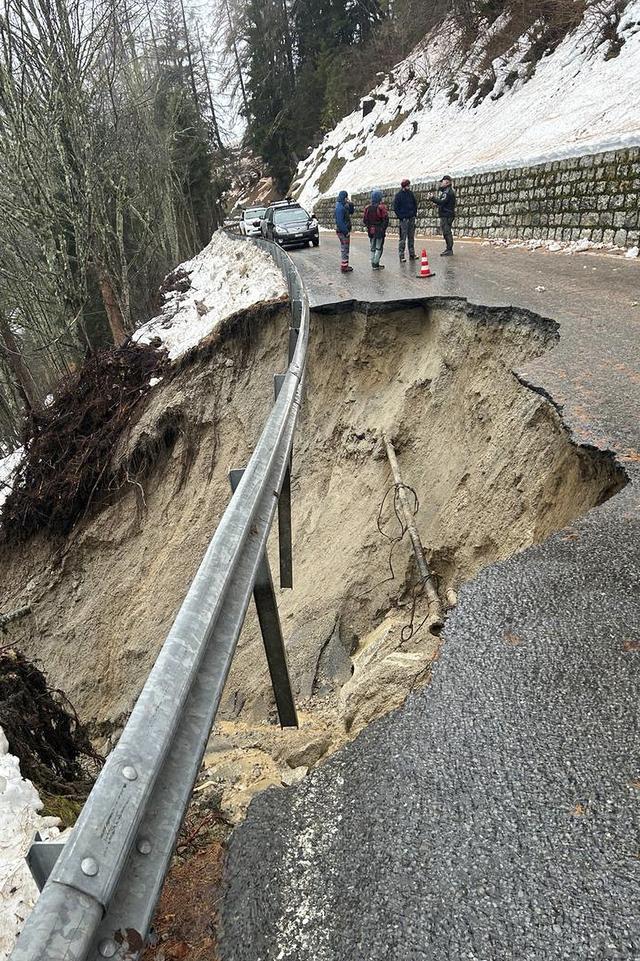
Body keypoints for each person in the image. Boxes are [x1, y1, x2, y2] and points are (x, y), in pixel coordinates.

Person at [363, 188, 389, 270]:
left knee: (372, 247)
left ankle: (373, 262)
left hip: (371, 230)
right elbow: (386, 219)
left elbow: (365, 220)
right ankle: (375, 263)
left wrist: (369, 226)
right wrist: (383, 228)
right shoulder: (381, 208)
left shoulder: (368, 208)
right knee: (379, 247)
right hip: (379, 231)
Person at [430, 175, 456, 256]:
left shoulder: (447, 192)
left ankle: (449, 249)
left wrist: (432, 198)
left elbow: (442, 202)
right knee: (446, 232)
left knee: (447, 232)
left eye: (443, 181)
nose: (441, 183)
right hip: (447, 214)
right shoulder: (447, 191)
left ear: (447, 182)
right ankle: (448, 249)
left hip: (447, 215)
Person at [393, 178, 418, 262]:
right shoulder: (398, 195)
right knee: (402, 238)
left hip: (411, 218)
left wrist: (414, 214)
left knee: (411, 237)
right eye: (407, 185)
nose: (408, 187)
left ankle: (412, 254)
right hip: (403, 219)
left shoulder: (410, 194)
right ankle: (401, 255)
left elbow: (415, 204)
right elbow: (396, 208)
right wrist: (401, 217)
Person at [335, 189, 355, 273]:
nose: (347, 198)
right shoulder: (340, 208)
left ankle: (345, 265)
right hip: (342, 231)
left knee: (346, 248)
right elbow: (340, 222)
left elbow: (351, 212)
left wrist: (351, 204)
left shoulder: (343, 205)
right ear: (344, 197)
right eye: (346, 197)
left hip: (343, 230)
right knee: (345, 248)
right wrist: (346, 231)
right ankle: (344, 267)